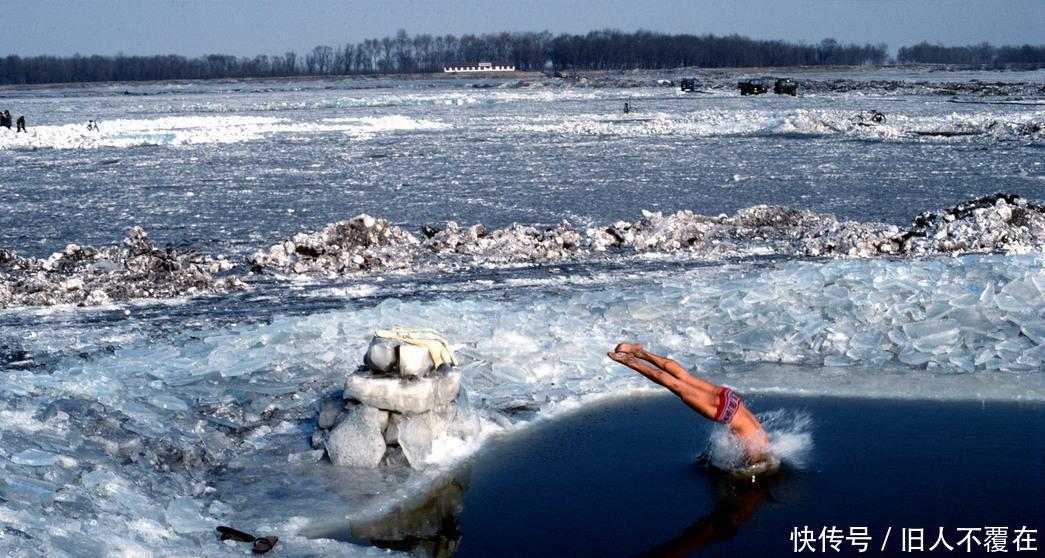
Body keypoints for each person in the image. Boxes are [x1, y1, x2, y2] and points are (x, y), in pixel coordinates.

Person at [607, 342, 768, 463]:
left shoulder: (765, 441)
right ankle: (630, 361)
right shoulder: (755, 456)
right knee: (677, 386)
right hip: (724, 412)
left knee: (684, 376)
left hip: (732, 399)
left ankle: (639, 351)